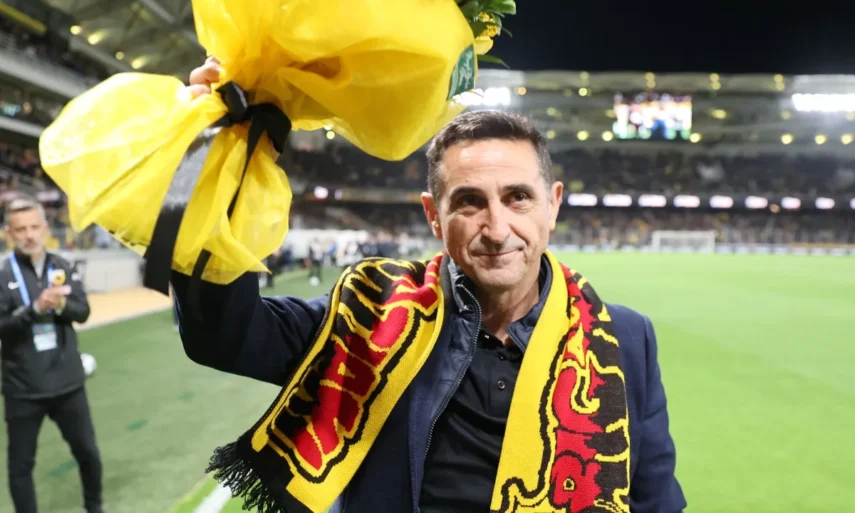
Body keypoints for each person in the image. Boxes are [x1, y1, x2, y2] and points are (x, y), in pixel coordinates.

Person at [174, 59, 685, 513]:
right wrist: (212, 159)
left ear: (552, 204)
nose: (497, 228)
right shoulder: (370, 315)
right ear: (433, 216)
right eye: (469, 201)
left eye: (518, 197)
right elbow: (222, 335)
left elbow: (654, 501)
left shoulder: (624, 340)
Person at [0, 196, 103, 513]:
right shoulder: (3, 273)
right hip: (22, 389)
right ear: (9, 233)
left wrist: (59, 304)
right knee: (20, 466)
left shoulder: (63, 265)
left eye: (34, 227)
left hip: (67, 384)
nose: (29, 235)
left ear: (46, 228)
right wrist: (34, 309)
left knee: (88, 454)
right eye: (21, 229)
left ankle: (94, 508)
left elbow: (82, 312)